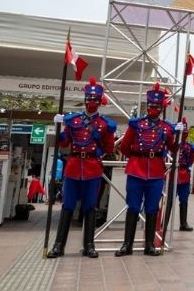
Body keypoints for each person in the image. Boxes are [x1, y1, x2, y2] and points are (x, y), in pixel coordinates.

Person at [47, 78, 116, 259]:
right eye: (89, 98)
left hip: (92, 168)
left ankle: (89, 246)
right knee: (67, 206)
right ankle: (58, 246)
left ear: (100, 101)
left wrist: (108, 137)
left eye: (95, 99)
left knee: (90, 207)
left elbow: (109, 149)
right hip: (73, 167)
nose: (91, 102)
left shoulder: (105, 125)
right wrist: (59, 128)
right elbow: (64, 143)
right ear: (85, 100)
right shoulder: (73, 120)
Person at [115, 83, 179, 257]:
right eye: (151, 106)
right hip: (136, 169)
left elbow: (173, 148)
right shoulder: (136, 124)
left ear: (161, 108)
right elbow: (125, 146)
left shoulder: (167, 128)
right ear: (147, 106)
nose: (154, 109)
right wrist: (136, 157)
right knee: (133, 206)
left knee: (152, 208)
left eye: (157, 107)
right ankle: (127, 244)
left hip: (156, 171)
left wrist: (181, 135)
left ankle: (149, 244)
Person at [176, 127, 194, 231]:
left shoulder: (190, 147)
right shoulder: (173, 144)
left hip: (184, 175)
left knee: (184, 200)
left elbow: (191, 160)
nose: (184, 134)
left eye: (185, 133)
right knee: (168, 201)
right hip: (172, 175)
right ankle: (164, 222)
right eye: (182, 133)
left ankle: (183, 224)